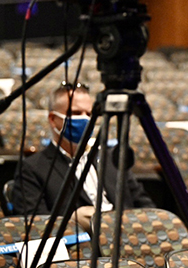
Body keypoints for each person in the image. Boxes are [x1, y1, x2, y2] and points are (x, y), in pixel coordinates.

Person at [12, 82, 155, 230]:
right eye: (75, 113)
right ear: (53, 119)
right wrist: (71, 220)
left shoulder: (111, 157)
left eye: (89, 114)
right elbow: (35, 226)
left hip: (129, 237)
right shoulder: (33, 168)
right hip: (82, 245)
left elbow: (144, 203)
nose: (85, 119)